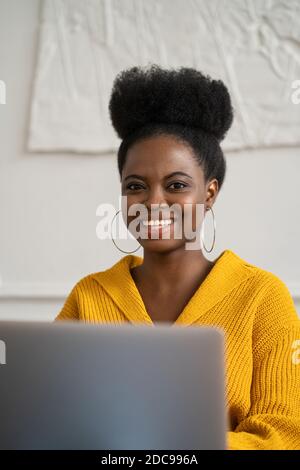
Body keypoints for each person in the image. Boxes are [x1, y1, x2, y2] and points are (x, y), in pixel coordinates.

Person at [55, 64, 300, 450]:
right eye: (135, 186)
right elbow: (51, 416)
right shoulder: (89, 297)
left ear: (209, 193)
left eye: (176, 185)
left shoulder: (262, 298)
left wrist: (174, 446)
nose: (153, 203)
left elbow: (284, 436)